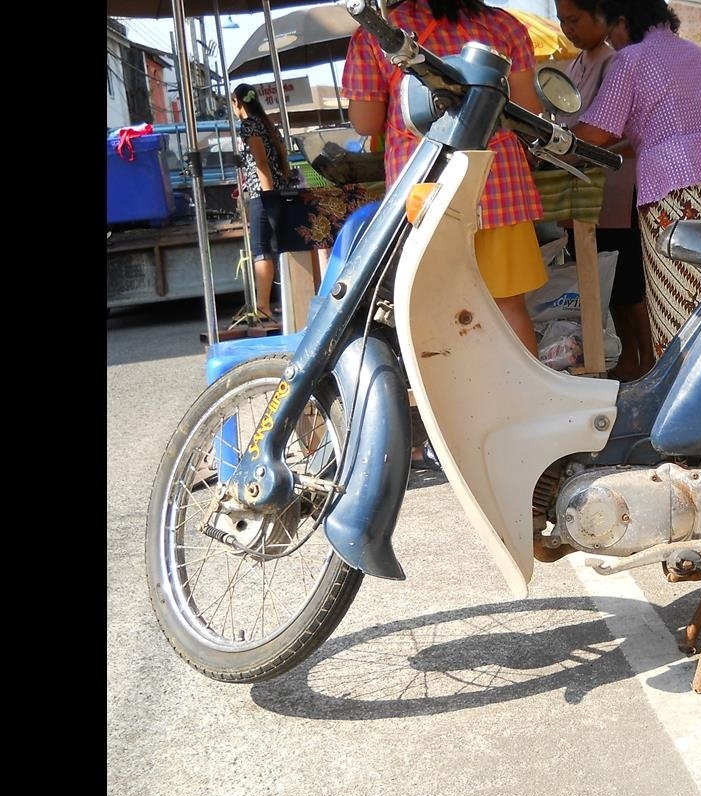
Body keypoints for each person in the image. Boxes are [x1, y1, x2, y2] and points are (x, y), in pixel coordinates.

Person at [342, 0, 549, 470]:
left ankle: (457, 435)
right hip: (498, 180)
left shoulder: (378, 31)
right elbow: (530, 110)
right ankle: (525, 421)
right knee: (508, 308)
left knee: (436, 317)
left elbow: (365, 122)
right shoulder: (503, 25)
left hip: (426, 187)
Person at [571, 0, 701, 358]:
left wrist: (550, 144)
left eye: (610, 34)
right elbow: (660, 126)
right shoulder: (694, 52)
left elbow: (595, 132)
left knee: (684, 309)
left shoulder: (631, 59)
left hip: (678, 186)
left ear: (623, 21)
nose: (611, 42)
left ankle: (689, 385)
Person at [554, 0, 654, 381]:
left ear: (602, 15)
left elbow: (607, 132)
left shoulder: (617, 62)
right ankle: (627, 361)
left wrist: (575, 147)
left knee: (630, 284)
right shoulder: (574, 66)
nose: (568, 29)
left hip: (618, 188)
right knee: (606, 285)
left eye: (575, 20)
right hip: (583, 191)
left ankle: (648, 362)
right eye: (562, 21)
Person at [231, 83, 293, 322]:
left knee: (260, 249)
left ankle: (263, 306)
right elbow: (280, 157)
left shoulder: (249, 125)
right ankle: (279, 304)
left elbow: (260, 162)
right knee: (277, 248)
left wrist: (267, 194)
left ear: (237, 102)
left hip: (263, 193)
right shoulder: (267, 124)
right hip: (278, 189)